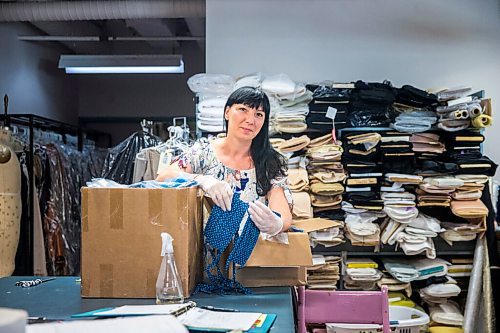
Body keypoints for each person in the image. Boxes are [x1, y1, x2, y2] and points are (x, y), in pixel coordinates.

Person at [157, 86, 292, 236]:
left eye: (258, 114)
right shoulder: (203, 153)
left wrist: (276, 224)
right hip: (205, 252)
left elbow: (283, 214)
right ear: (227, 112)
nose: (250, 120)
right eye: (243, 110)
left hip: (252, 253)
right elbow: (163, 178)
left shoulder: (270, 162)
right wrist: (202, 180)